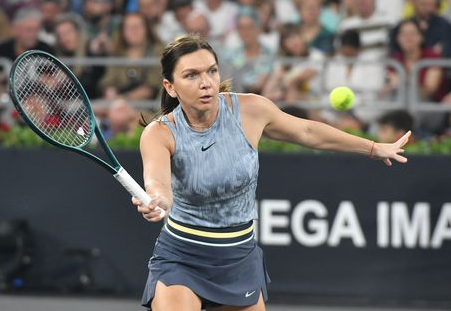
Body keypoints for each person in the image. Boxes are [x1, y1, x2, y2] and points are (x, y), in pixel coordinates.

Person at [132, 34, 411, 311]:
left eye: (212, 71)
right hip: (183, 256)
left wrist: (374, 147)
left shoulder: (250, 110)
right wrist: (159, 201)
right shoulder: (160, 133)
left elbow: (308, 132)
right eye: (191, 75)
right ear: (170, 86)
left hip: (238, 256)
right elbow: (158, 182)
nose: (206, 83)